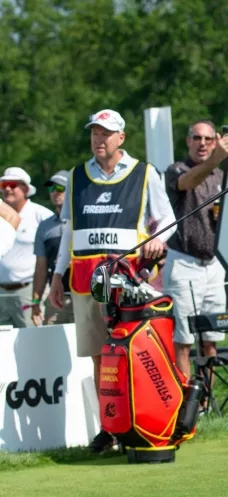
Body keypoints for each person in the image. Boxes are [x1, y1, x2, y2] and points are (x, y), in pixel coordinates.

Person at [49, 109, 177, 454]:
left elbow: (168, 219)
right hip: (85, 281)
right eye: (94, 133)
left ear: (121, 137)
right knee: (98, 358)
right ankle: (111, 426)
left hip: (129, 281)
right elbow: (68, 232)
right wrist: (57, 276)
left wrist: (157, 238)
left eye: (106, 133)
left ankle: (141, 421)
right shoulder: (76, 176)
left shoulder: (144, 172)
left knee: (134, 353)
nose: (98, 139)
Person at [162, 120, 228, 380]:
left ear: (215, 140)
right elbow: (188, 182)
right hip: (183, 262)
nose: (202, 143)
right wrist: (215, 160)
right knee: (183, 339)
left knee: (211, 336)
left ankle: (204, 401)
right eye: (197, 138)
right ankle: (184, 403)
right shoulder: (175, 169)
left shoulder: (220, 176)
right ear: (188, 141)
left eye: (208, 139)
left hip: (213, 264)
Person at [0, 167, 55, 327]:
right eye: (3, 185)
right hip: (1, 292)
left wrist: (37, 296)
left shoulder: (41, 215)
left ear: (25, 188)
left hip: (27, 291)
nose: (7, 189)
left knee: (31, 340)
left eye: (12, 184)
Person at [30, 170, 73, 326]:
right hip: (55, 299)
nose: (55, 192)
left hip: (84, 296)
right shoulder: (44, 227)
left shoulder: (84, 219)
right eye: (51, 188)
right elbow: (41, 268)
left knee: (89, 349)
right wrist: (36, 300)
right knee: (53, 345)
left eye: (60, 188)